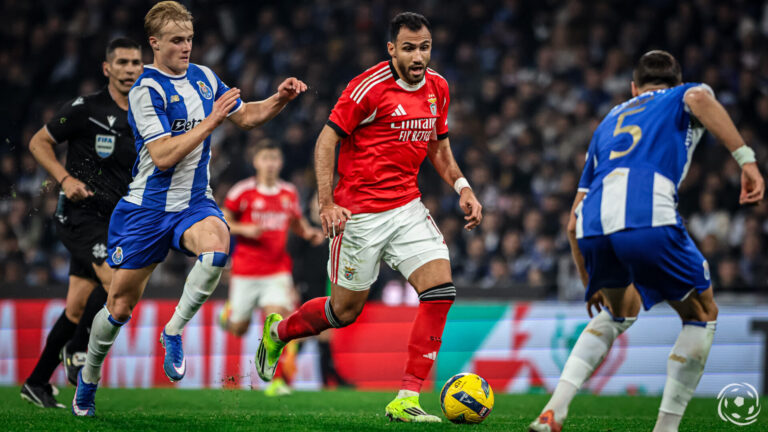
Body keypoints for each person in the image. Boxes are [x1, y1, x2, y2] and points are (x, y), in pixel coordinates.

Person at [72, 1, 306, 417]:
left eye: (190, 40)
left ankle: (173, 331)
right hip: (146, 209)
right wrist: (212, 121)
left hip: (194, 203)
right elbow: (162, 155)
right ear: (155, 43)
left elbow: (247, 116)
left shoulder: (204, 77)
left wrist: (280, 98)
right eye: (177, 40)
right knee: (119, 307)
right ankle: (88, 379)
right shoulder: (144, 89)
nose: (186, 48)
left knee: (218, 250)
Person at [255, 12, 483, 423]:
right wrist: (326, 203)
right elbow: (327, 141)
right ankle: (278, 333)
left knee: (440, 291)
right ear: (391, 49)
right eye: (409, 48)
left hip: (407, 208)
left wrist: (463, 186)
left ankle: (406, 397)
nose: (418, 56)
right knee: (343, 313)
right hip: (358, 215)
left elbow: (438, 147)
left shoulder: (438, 88)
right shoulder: (368, 88)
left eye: (425, 47)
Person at [528, 50, 765, 432]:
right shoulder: (682, 95)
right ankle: (665, 429)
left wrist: (590, 279)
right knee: (701, 314)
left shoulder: (608, 121)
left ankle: (553, 410)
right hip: (646, 213)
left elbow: (572, 222)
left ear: (633, 87)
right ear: (676, 81)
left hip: (594, 225)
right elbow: (701, 99)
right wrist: (747, 160)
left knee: (618, 312)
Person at [21, 38, 142, 409]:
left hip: (117, 220)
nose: (129, 69)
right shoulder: (85, 108)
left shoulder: (146, 114)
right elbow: (39, 142)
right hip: (80, 215)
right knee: (116, 282)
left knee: (76, 307)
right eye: (121, 62)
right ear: (107, 68)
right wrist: (65, 179)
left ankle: (37, 382)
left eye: (136, 63)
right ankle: (77, 351)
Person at [219, 141, 324, 396]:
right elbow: (223, 220)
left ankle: (278, 381)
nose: (270, 163)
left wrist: (308, 233)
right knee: (239, 328)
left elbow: (296, 222)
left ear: (280, 163)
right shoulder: (242, 192)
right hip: (245, 271)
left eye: (275, 158)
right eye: (265, 158)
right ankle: (229, 315)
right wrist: (245, 229)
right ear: (256, 162)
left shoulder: (288, 192)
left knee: (277, 321)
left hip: (277, 271)